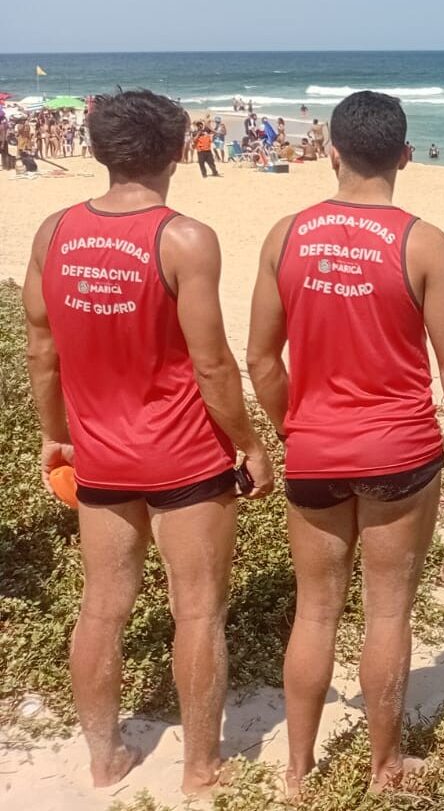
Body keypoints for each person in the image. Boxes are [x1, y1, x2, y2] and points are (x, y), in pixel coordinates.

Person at [21, 90, 273, 795]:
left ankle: (104, 758)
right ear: (176, 153)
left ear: (100, 149)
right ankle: (200, 769)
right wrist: (251, 443)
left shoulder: (53, 232)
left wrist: (54, 435)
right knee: (197, 611)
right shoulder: (184, 238)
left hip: (99, 452)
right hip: (184, 454)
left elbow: (41, 349)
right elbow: (212, 363)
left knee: (102, 607)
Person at [246, 90, 444, 797]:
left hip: (314, 453)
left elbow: (261, 360)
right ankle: (385, 768)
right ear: (405, 156)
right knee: (387, 611)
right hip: (399, 454)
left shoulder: (285, 235)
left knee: (315, 611)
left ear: (331, 152)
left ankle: (297, 771)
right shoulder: (424, 242)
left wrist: (294, 428)